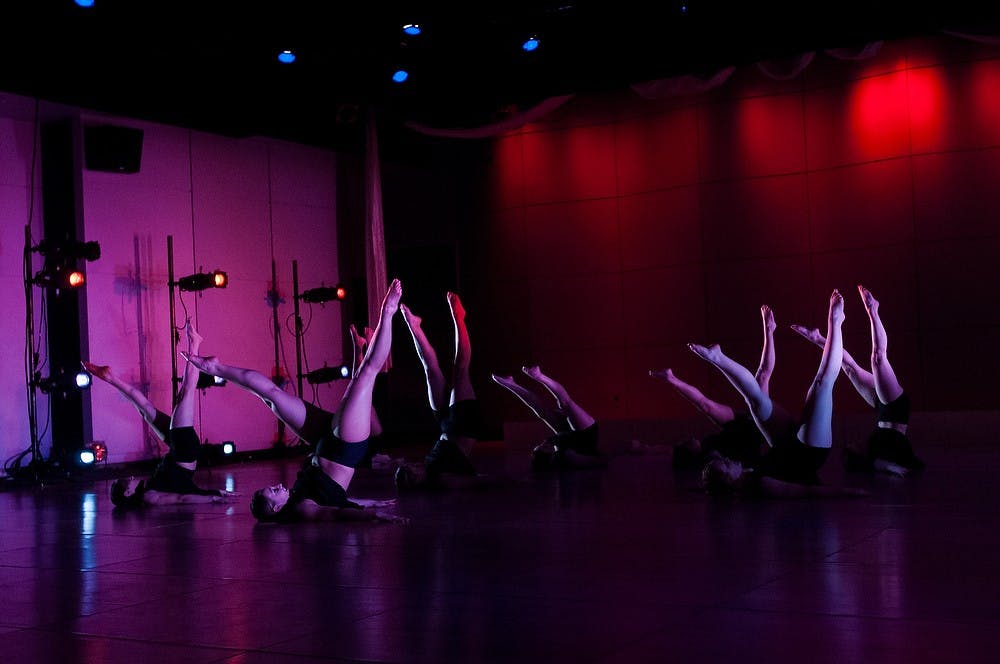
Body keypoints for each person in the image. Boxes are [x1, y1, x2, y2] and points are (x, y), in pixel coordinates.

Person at [183, 279, 406, 523]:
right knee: (366, 375)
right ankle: (388, 311)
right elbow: (336, 513)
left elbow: (337, 501)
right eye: (274, 492)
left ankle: (216, 367)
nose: (278, 485)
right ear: (277, 509)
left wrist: (364, 503)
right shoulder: (303, 509)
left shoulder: (295, 497)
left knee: (272, 396)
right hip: (344, 449)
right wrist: (377, 515)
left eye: (273, 487)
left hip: (322, 442)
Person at [693, 291, 868, 499]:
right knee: (821, 384)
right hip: (808, 453)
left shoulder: (745, 475)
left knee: (755, 400)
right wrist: (848, 493)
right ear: (728, 479)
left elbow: (764, 372)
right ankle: (836, 321)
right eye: (725, 464)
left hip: (786, 447)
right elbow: (804, 492)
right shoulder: (759, 485)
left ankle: (717, 357)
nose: (728, 459)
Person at [85, 321, 239, 507]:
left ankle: (110, 377)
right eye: (126, 481)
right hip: (184, 451)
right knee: (186, 392)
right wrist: (212, 497)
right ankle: (195, 343)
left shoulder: (149, 487)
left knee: (145, 410)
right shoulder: (149, 497)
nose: (130, 477)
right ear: (128, 493)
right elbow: (181, 498)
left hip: (177, 450)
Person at [790, 283, 923, 476]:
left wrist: (816, 339)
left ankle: (818, 338)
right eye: (853, 447)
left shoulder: (873, 449)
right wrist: (895, 469)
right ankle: (872, 309)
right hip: (896, 409)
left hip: (882, 409)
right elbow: (891, 467)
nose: (853, 443)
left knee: (850, 369)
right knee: (878, 358)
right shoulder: (877, 458)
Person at [648, 305, 775, 469]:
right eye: (687, 444)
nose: (689, 439)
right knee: (763, 376)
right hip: (752, 435)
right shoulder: (709, 458)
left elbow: (665, 449)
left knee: (705, 405)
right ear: (691, 454)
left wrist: (642, 448)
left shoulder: (704, 446)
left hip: (735, 430)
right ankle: (770, 330)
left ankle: (673, 377)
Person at [394, 292, 489, 490]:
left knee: (430, 371)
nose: (411, 468)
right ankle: (459, 317)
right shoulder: (439, 478)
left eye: (407, 469)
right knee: (460, 369)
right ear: (418, 482)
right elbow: (474, 482)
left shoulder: (429, 468)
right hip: (463, 427)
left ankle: (414, 326)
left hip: (446, 425)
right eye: (411, 474)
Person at [492, 365, 606, 470]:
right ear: (550, 454)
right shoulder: (565, 457)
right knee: (566, 403)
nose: (543, 443)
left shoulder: (555, 446)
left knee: (541, 412)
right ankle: (539, 376)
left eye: (540, 445)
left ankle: (510, 384)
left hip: (568, 434)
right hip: (586, 435)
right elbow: (598, 462)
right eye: (544, 447)